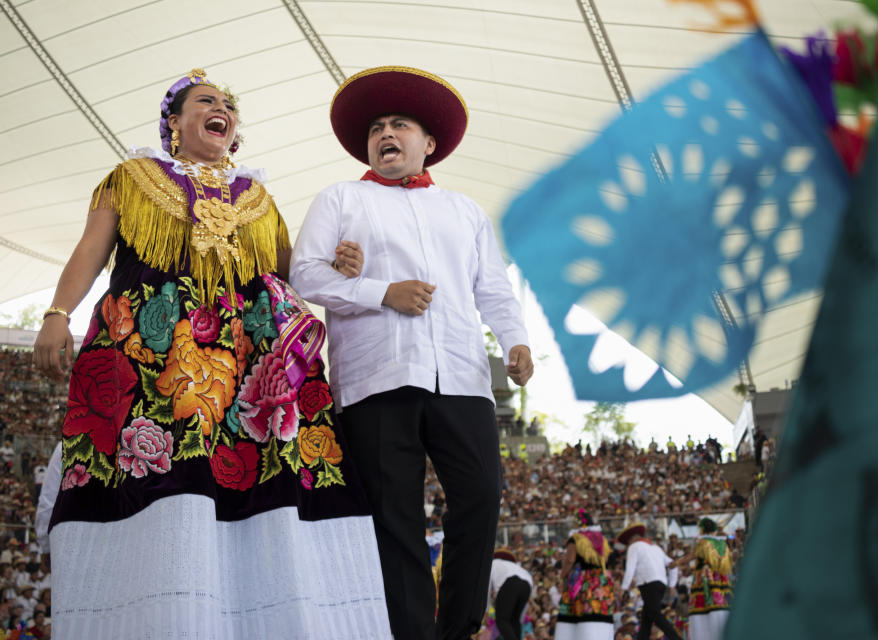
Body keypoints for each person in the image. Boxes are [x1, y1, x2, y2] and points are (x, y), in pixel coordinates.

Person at [31, 68, 391, 638]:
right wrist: (57, 314)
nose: (220, 108)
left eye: (227, 104)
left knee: (251, 489)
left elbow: (290, 274)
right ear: (173, 123)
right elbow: (91, 251)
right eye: (205, 101)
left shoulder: (258, 198)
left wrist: (337, 264)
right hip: (153, 360)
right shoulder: (131, 177)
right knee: (160, 486)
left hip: (244, 368)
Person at [290, 65, 534, 640]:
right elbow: (304, 275)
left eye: (399, 123)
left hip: (463, 376)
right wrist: (383, 293)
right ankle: (411, 633)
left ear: (430, 143)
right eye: (376, 126)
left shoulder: (466, 211)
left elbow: (493, 287)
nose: (385, 132)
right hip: (376, 377)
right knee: (392, 516)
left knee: (480, 495)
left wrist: (515, 339)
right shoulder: (341, 198)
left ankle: (458, 627)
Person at [555, 509, 614, 640]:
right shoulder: (602, 539)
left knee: (582, 613)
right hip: (601, 579)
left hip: (585, 580)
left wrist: (563, 575)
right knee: (600, 612)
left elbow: (570, 560)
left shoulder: (576, 538)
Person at [617, 523, 682, 640]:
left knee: (655, 615)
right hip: (660, 584)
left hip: (648, 584)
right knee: (647, 619)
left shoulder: (634, 547)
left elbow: (630, 568)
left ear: (631, 540)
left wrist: (624, 588)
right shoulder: (656, 548)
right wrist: (672, 585)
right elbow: (673, 564)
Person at [671, 518, 733, 640]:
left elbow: (692, 556)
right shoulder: (722, 543)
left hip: (704, 578)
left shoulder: (703, 542)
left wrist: (676, 563)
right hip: (719, 579)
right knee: (720, 605)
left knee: (703, 608)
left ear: (702, 529)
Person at [489, 548, 535, 640]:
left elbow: (486, 588)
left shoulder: (493, 563)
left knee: (502, 620)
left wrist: (486, 611)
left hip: (511, 581)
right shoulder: (514, 566)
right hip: (528, 583)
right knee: (514, 620)